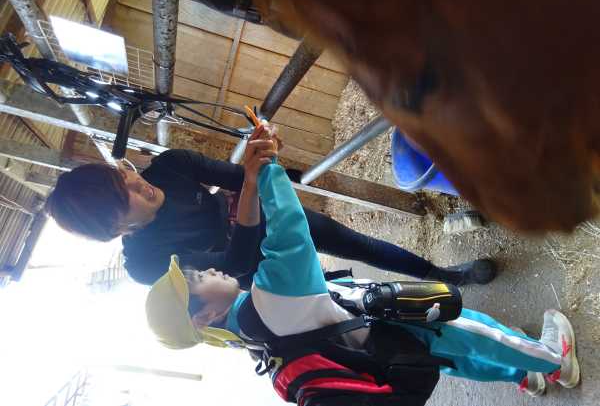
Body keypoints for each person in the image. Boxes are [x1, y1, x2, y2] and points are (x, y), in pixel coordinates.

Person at [145, 125, 579, 401]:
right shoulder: (269, 300)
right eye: (196, 280)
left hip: (381, 350)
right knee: (475, 334)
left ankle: (523, 375)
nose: (208, 269)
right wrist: (269, 169)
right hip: (397, 330)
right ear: (204, 317)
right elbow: (291, 231)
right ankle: (553, 361)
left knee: (459, 359)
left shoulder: (253, 342)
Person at [44, 124, 495, 289]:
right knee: (340, 296)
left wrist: (263, 154)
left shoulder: (169, 166)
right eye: (124, 195)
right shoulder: (146, 265)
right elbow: (235, 266)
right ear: (116, 229)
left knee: (357, 244)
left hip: (264, 218)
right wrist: (251, 185)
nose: (136, 182)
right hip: (261, 275)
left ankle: (445, 275)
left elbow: (242, 177)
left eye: (121, 175)